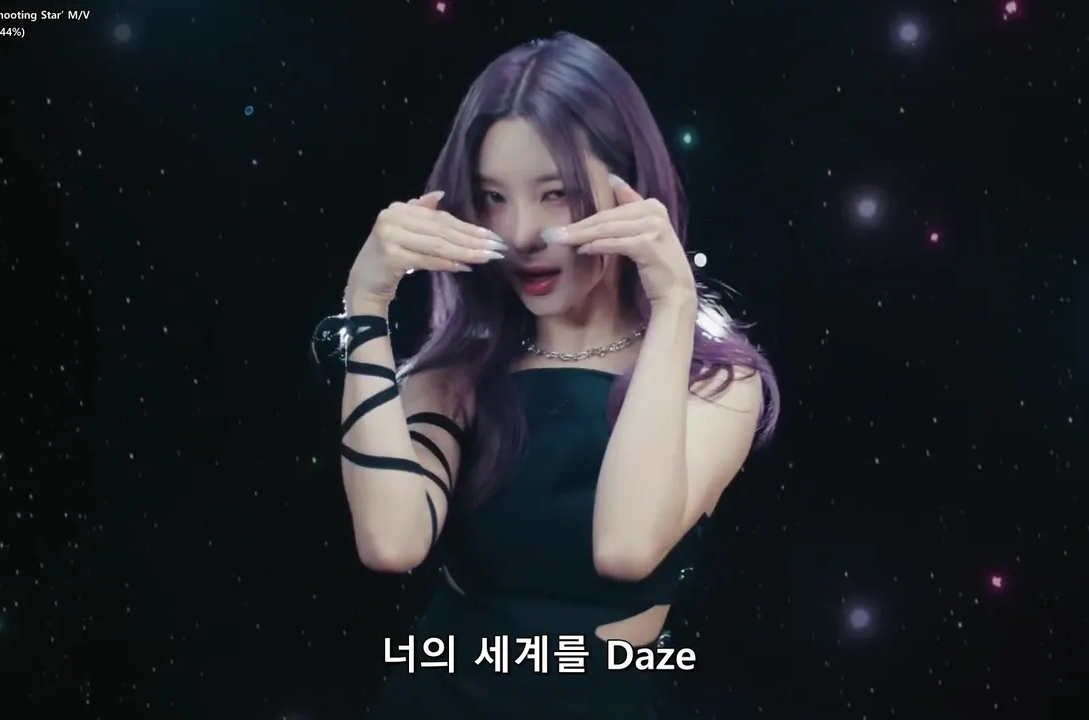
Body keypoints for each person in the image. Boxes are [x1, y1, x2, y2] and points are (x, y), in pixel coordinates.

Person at [322, 32, 780, 719]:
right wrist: (365, 304)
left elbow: (626, 547)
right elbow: (391, 543)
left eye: (556, 194)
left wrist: (673, 303)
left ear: (631, 189)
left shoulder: (713, 379)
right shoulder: (458, 374)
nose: (521, 232)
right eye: (492, 197)